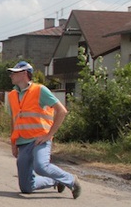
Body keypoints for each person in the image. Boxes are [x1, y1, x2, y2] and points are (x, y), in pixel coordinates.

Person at [7, 61, 82, 198]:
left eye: (14, 73)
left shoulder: (40, 90)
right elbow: (14, 121)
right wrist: (13, 143)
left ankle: (71, 180)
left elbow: (62, 111)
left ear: (24, 74)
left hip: (39, 139)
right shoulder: (12, 95)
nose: (11, 75)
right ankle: (56, 179)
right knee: (26, 188)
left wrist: (49, 135)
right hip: (23, 142)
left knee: (41, 166)